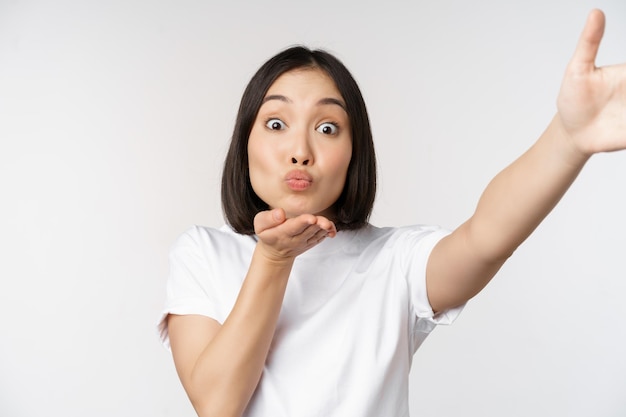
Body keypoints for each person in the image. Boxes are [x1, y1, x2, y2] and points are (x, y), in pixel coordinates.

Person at [158, 9, 625, 417]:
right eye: (276, 123)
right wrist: (273, 260)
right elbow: (217, 406)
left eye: (327, 127)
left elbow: (486, 238)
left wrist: (567, 139)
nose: (300, 151)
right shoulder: (203, 253)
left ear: (354, 152)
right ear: (245, 142)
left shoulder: (394, 261)